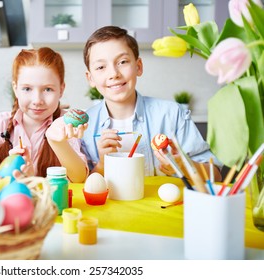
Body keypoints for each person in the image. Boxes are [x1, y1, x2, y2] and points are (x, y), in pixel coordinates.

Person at [81, 26, 222, 181]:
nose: (114, 74)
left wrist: (183, 166)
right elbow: (80, 185)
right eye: (101, 67)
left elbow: (216, 175)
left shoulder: (172, 114)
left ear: (138, 67)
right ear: (90, 79)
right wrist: (102, 165)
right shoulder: (84, 126)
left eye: (122, 62)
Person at [0, 47, 88, 183]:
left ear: (61, 89)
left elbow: (79, 178)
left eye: (48, 89)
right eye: (27, 89)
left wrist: (59, 142)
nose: (37, 100)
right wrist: (11, 169)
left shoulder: (65, 123)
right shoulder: (0, 124)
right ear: (16, 89)